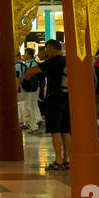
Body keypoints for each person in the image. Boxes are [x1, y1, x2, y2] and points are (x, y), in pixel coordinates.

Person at [24, 38, 70, 171]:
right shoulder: (66, 60)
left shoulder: (52, 62)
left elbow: (31, 71)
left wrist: (39, 58)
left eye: (47, 48)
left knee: (55, 131)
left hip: (54, 99)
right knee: (66, 131)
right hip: (67, 98)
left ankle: (58, 160)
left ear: (51, 48)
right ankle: (67, 160)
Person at [18, 46, 40, 131]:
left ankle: (31, 124)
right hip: (34, 87)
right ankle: (36, 120)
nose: (24, 55)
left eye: (26, 53)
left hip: (28, 89)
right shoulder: (35, 63)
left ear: (30, 55)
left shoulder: (27, 64)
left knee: (28, 106)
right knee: (33, 105)